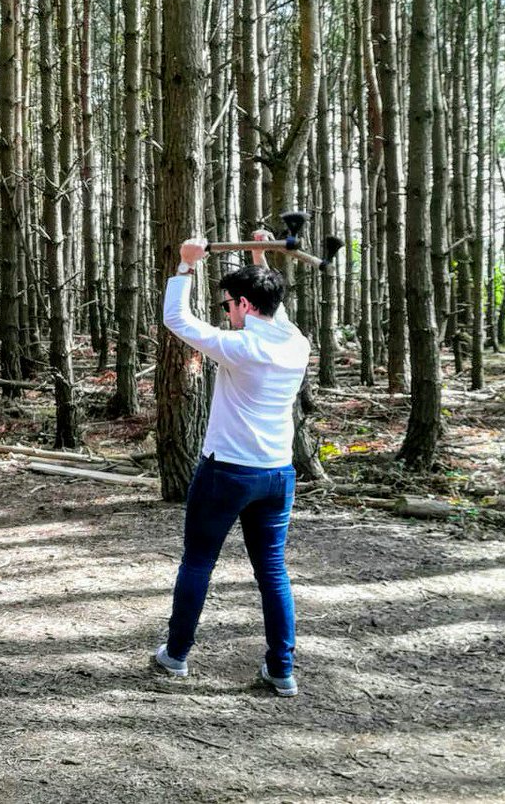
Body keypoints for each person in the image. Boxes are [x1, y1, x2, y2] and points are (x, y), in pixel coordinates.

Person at [154, 230, 308, 697]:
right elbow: (271, 309)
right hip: (277, 475)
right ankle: (282, 669)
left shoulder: (240, 348)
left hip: (226, 473)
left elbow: (176, 318)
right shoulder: (295, 343)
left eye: (227, 305)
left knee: (198, 561)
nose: (227, 313)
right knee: (273, 571)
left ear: (242, 304)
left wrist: (185, 267)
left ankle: (176, 656)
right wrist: (259, 256)